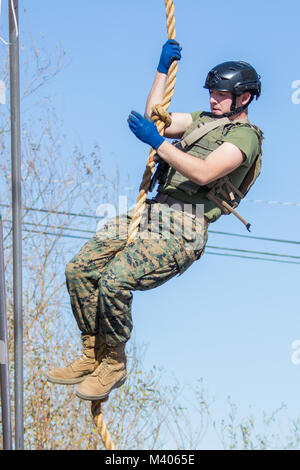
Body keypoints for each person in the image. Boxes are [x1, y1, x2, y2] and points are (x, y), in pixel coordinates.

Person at [47, 40, 263, 401]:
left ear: (243, 99)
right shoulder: (202, 121)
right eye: (211, 92)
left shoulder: (245, 137)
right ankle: (92, 353)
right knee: (80, 270)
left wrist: (158, 144)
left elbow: (205, 172)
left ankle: (113, 364)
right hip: (150, 212)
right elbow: (155, 117)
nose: (213, 99)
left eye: (221, 94)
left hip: (185, 225)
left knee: (115, 281)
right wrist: (161, 71)